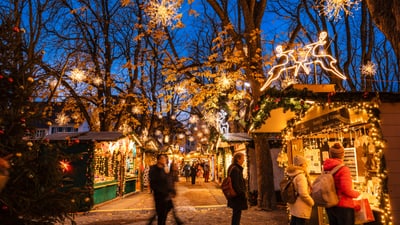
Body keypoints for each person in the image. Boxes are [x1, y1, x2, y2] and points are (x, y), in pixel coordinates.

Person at [323, 143, 360, 225]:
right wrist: (357, 193)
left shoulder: (325, 169)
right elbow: (346, 189)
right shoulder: (343, 169)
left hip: (330, 204)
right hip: (343, 206)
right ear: (342, 155)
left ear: (330, 154)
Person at [148, 154, 183, 225]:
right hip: (159, 196)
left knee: (168, 209)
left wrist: (172, 190)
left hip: (166, 195)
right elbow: (153, 182)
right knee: (162, 214)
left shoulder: (164, 169)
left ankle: (176, 220)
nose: (165, 160)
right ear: (159, 160)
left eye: (165, 159)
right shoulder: (154, 169)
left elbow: (168, 181)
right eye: (163, 159)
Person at [286, 155, 314, 225]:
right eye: (305, 163)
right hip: (301, 208)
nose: (307, 165)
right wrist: (311, 202)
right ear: (302, 164)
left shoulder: (293, 174)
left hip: (295, 207)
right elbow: (303, 193)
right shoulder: (301, 176)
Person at [227, 152, 248, 225]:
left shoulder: (233, 167)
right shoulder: (236, 169)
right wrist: (242, 193)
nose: (243, 160)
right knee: (237, 214)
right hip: (237, 196)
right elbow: (236, 184)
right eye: (242, 159)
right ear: (238, 159)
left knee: (236, 213)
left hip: (235, 196)